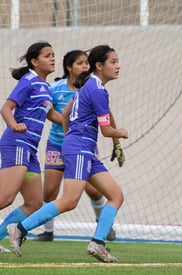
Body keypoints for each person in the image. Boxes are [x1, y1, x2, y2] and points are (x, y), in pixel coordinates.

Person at [7, 45, 128, 263]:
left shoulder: (88, 85)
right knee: (68, 200)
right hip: (80, 148)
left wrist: (70, 137)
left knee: (116, 196)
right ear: (99, 66)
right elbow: (106, 130)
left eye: (118, 61)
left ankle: (98, 243)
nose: (118, 66)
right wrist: (120, 134)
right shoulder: (97, 90)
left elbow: (64, 113)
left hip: (83, 148)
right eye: (113, 62)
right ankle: (20, 229)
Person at [34, 49, 124, 242]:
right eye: (80, 63)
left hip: (80, 144)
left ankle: (102, 230)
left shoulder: (88, 87)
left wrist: (115, 143)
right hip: (63, 144)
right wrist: (73, 133)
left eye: (86, 63)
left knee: (97, 191)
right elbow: (52, 113)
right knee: (54, 193)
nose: (85, 66)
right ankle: (37, 230)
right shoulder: (60, 88)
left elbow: (106, 118)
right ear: (69, 67)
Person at [0, 42, 61, 253]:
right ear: (34, 62)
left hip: (30, 150)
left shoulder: (46, 87)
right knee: (5, 197)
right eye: (47, 55)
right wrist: (13, 124)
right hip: (17, 142)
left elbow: (53, 115)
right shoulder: (29, 80)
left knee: (34, 203)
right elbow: (6, 107)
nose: (52, 58)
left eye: (53, 55)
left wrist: (78, 116)